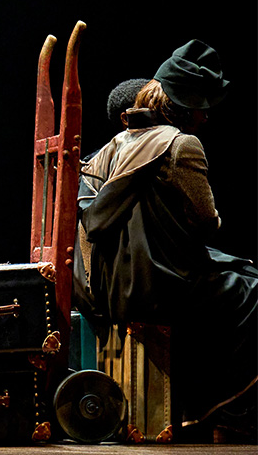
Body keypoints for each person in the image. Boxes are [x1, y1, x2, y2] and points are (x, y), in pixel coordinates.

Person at [79, 40, 256, 441]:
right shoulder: (181, 144)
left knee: (235, 272)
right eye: (201, 107)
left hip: (108, 285)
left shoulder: (113, 146)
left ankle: (198, 410)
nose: (205, 116)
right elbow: (207, 222)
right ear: (184, 107)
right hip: (157, 283)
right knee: (252, 292)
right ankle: (227, 413)